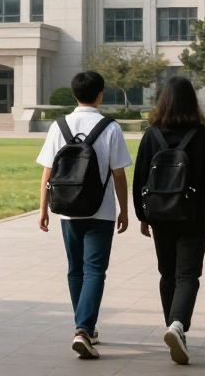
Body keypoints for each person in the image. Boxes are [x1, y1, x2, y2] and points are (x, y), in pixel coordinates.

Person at [132, 76, 205, 365]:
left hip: (161, 214)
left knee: (168, 273)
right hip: (193, 213)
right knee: (188, 275)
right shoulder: (201, 135)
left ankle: (173, 327)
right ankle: (177, 325)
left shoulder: (151, 135)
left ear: (163, 101)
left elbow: (140, 178)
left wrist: (142, 214)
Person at [37, 70, 131, 360]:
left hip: (66, 209)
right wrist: (124, 210)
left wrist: (43, 209)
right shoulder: (110, 128)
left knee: (75, 269)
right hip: (100, 211)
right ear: (100, 94)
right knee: (94, 271)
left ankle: (84, 326)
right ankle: (84, 328)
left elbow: (47, 172)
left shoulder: (59, 126)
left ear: (74, 94)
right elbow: (119, 174)